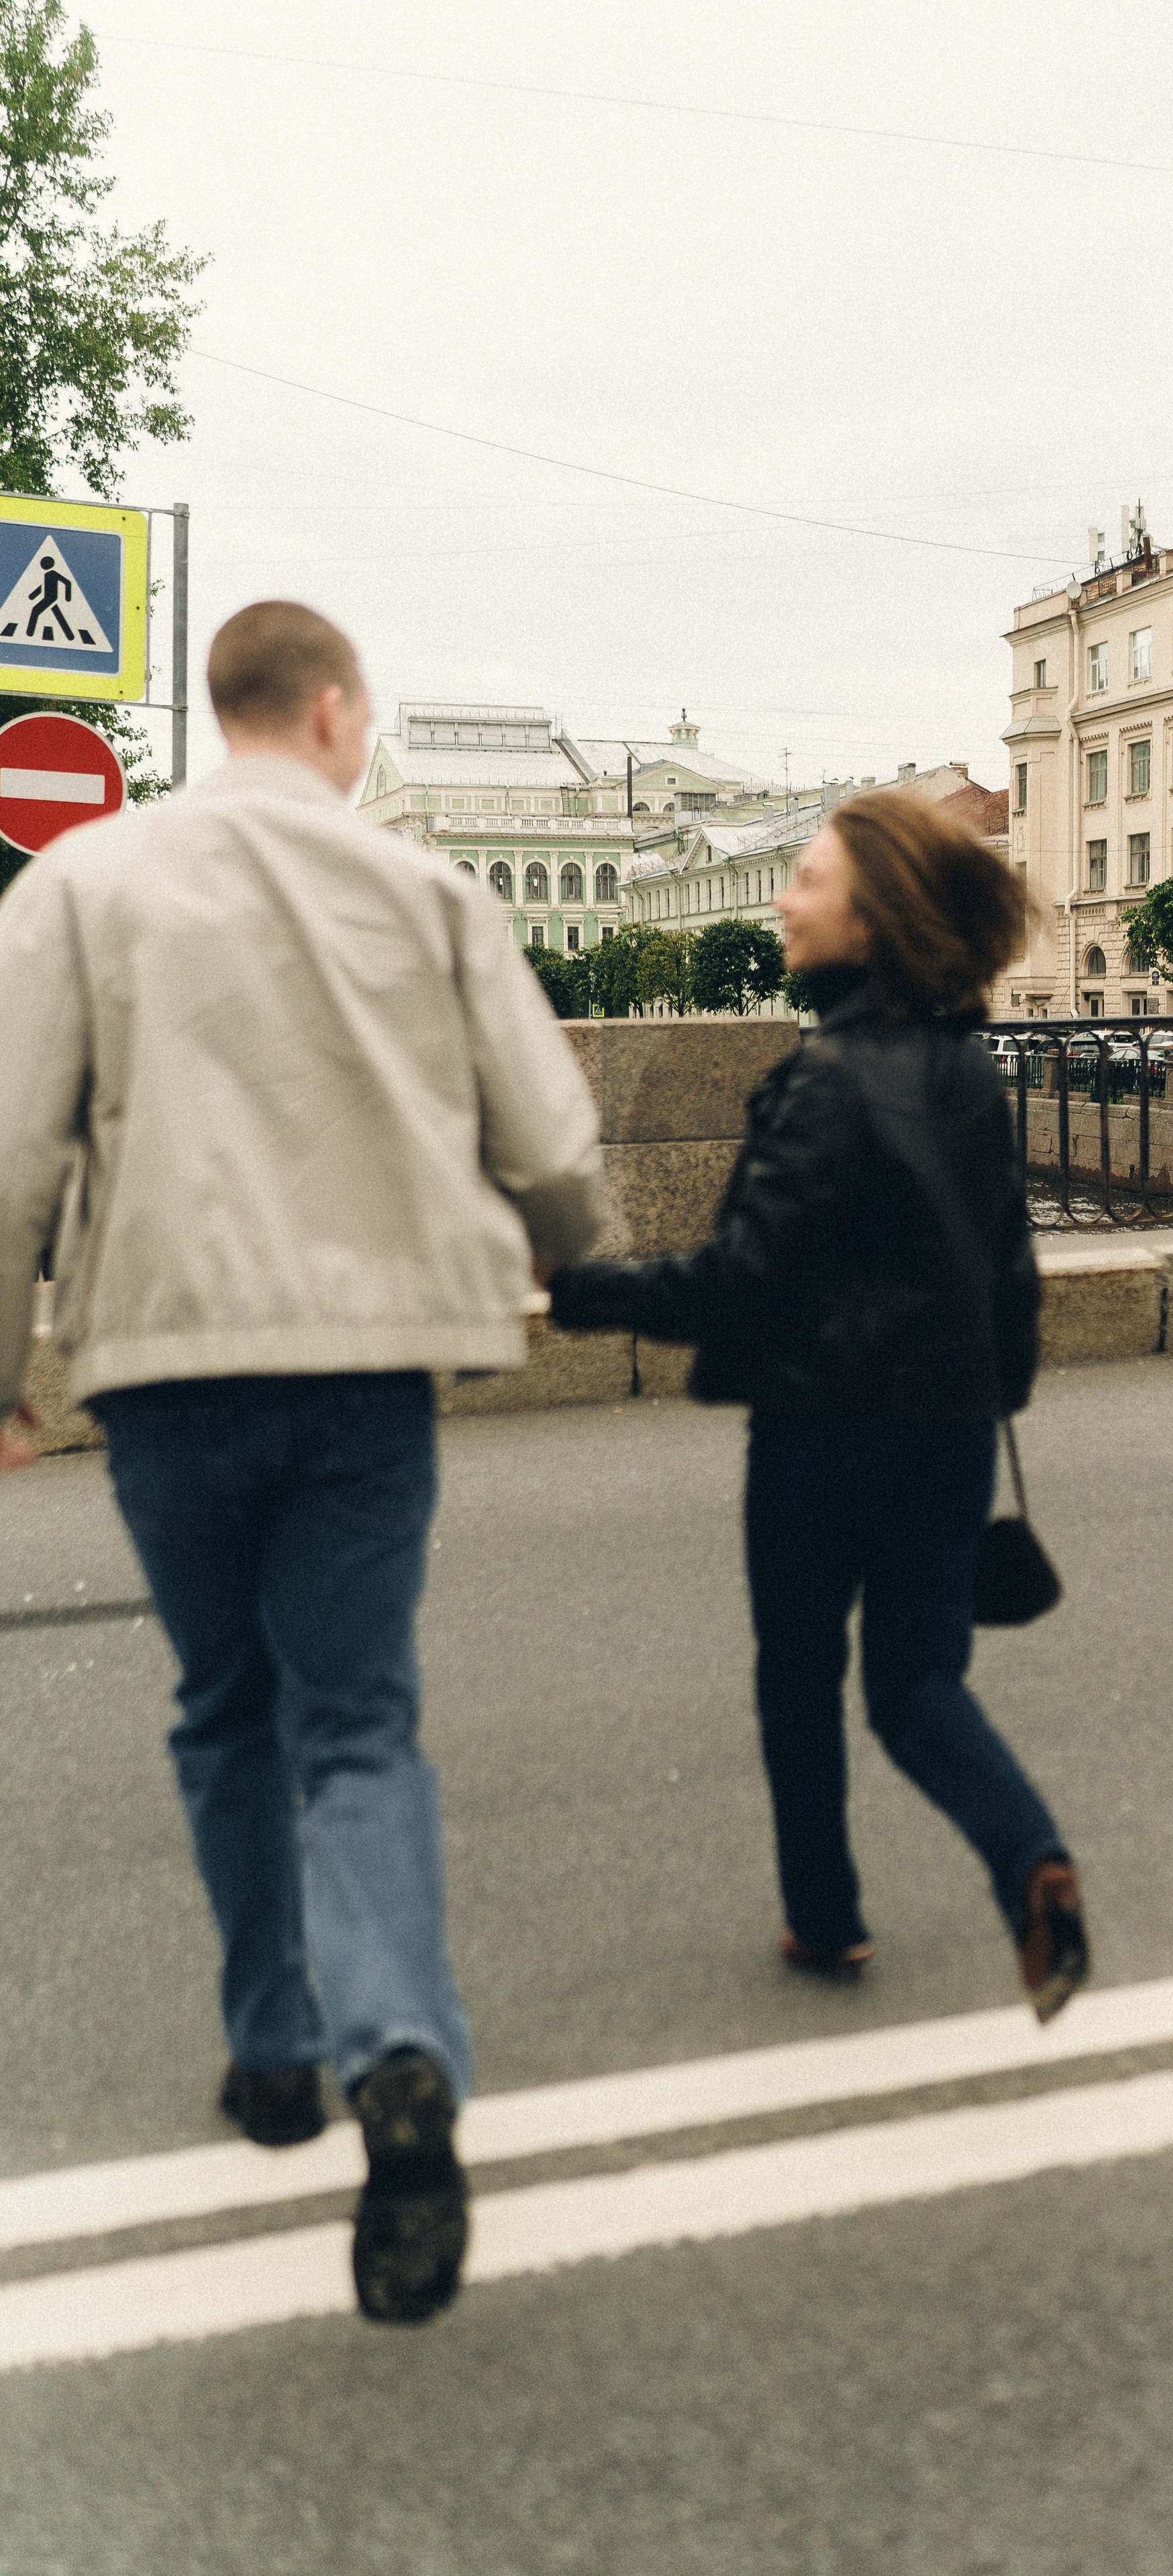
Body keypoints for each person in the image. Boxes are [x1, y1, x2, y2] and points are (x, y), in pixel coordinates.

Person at [0, 602, 606, 2323]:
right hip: (365, 1369)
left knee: (221, 1709)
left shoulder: (83, 886)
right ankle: (397, 2047)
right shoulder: (428, 892)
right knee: (357, 1723)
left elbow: (7, 1149)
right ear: (334, 714)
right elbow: (549, 1136)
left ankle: (270, 2050)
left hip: (170, 1367)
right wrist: (568, 1259)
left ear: (223, 708)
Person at [547, 790, 1088, 2021]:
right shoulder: (970, 1073)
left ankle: (827, 1917)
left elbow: (740, 1280)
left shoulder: (822, 1082)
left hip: (820, 1432)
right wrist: (987, 1394)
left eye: (807, 880)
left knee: (800, 1676)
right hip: (952, 1429)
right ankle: (1032, 1861)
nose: (785, 902)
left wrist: (578, 1292)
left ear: (873, 917)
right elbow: (1012, 1276)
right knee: (918, 1686)